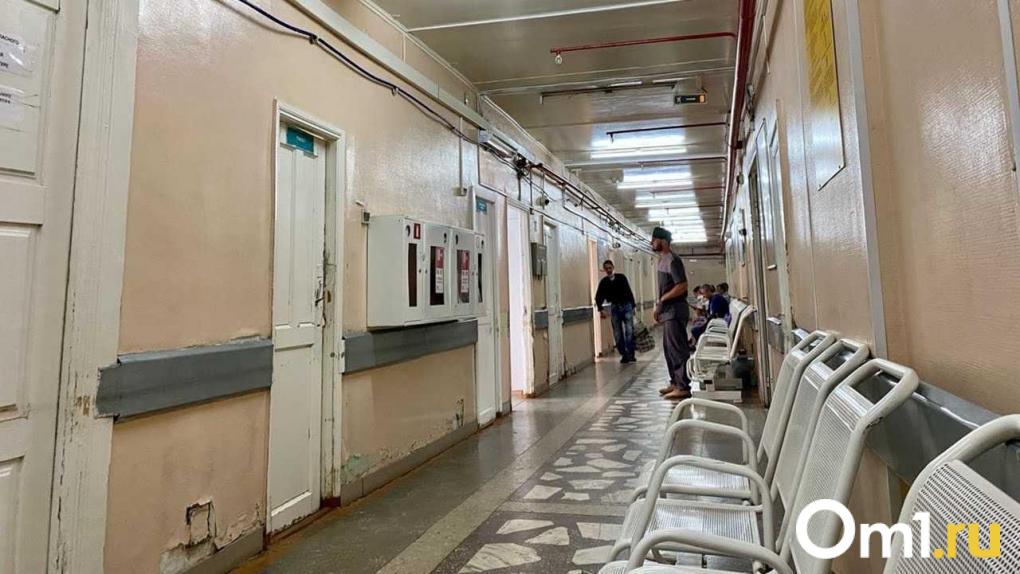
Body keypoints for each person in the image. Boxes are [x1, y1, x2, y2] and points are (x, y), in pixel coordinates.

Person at [650, 227, 691, 400]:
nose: (651, 243)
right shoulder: (663, 260)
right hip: (668, 312)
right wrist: (659, 306)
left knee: (677, 349)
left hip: (675, 310)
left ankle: (683, 386)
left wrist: (662, 300)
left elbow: (682, 285)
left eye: (654, 240)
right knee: (669, 350)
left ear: (663, 241)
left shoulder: (673, 260)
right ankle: (675, 382)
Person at [594, 259, 637, 363]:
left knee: (629, 331)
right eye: (606, 269)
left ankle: (631, 354)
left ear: (613, 267)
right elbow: (598, 296)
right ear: (604, 270)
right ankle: (624, 354)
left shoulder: (621, 278)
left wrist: (633, 306)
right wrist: (601, 309)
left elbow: (629, 292)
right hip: (615, 308)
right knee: (617, 334)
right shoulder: (604, 282)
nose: (608, 270)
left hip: (626, 306)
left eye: (610, 268)